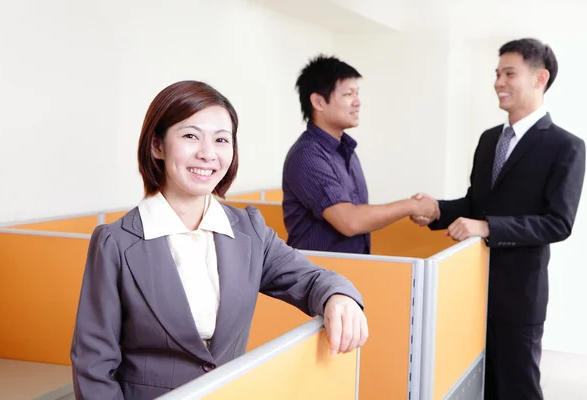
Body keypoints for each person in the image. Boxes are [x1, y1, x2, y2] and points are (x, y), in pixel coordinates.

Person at [70, 80, 369, 400]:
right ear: (157, 146)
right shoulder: (116, 243)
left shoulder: (250, 230)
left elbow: (310, 280)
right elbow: (93, 365)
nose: (207, 153)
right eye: (190, 136)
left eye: (221, 140)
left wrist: (339, 296)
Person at [411, 38, 586, 400]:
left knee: (519, 388)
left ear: (540, 78)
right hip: (471, 288)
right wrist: (437, 210)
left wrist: (490, 227)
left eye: (509, 73)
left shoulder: (566, 147)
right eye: (496, 74)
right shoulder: (490, 140)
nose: (498, 82)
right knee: (482, 388)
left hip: (519, 297)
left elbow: (558, 223)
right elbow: (475, 204)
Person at [282, 54, 438, 254]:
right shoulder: (307, 156)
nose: (357, 102)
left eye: (357, 93)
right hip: (317, 279)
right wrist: (411, 206)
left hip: (349, 274)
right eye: (348, 94)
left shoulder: (345, 151)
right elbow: (350, 221)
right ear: (319, 102)